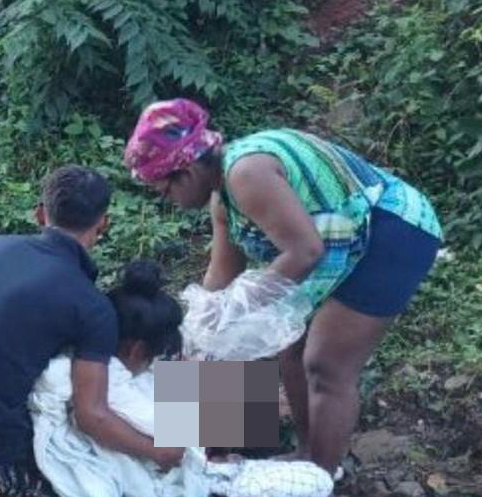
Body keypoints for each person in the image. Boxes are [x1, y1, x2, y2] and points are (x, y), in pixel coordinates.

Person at [122, 99, 443, 474]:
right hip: (343, 239)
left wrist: (240, 305)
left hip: (392, 230)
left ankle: (321, 476)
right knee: (276, 342)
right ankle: (249, 454)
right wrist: (198, 328)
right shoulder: (222, 198)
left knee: (325, 362)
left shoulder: (247, 173)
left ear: (187, 171)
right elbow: (222, 275)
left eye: (164, 192)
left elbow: (306, 250)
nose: (169, 202)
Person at [0, 166, 187, 497]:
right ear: (104, 223)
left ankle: (252, 426)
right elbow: (91, 417)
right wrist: (159, 451)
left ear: (41, 214)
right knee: (80, 469)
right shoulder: (91, 307)